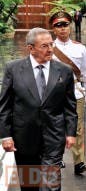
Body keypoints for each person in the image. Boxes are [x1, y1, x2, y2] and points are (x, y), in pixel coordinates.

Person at [0, 27, 78, 191]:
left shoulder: (64, 71)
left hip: (54, 137)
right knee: (30, 185)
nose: (50, 49)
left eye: (51, 44)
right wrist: (5, 136)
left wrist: (71, 133)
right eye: (44, 46)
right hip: (24, 138)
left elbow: (70, 106)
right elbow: (5, 106)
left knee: (50, 186)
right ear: (30, 48)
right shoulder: (13, 69)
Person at [49, 11, 86, 175]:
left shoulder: (80, 48)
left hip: (76, 93)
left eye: (65, 25)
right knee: (56, 127)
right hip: (54, 93)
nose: (62, 29)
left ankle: (79, 162)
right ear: (54, 29)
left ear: (70, 26)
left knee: (78, 129)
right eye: (58, 26)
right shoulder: (49, 48)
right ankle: (57, 158)